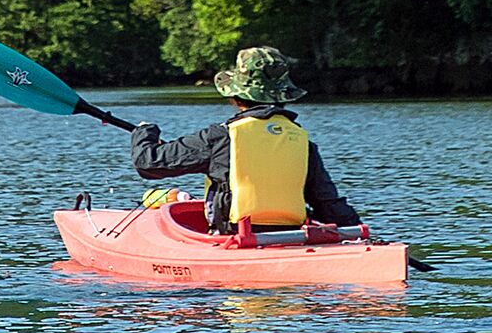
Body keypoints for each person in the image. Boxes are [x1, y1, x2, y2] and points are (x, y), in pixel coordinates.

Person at [130, 47, 362, 234]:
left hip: (235, 237)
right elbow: (330, 206)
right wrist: (359, 234)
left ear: (236, 96)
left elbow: (148, 163)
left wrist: (144, 132)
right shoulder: (301, 141)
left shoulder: (221, 137)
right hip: (290, 235)